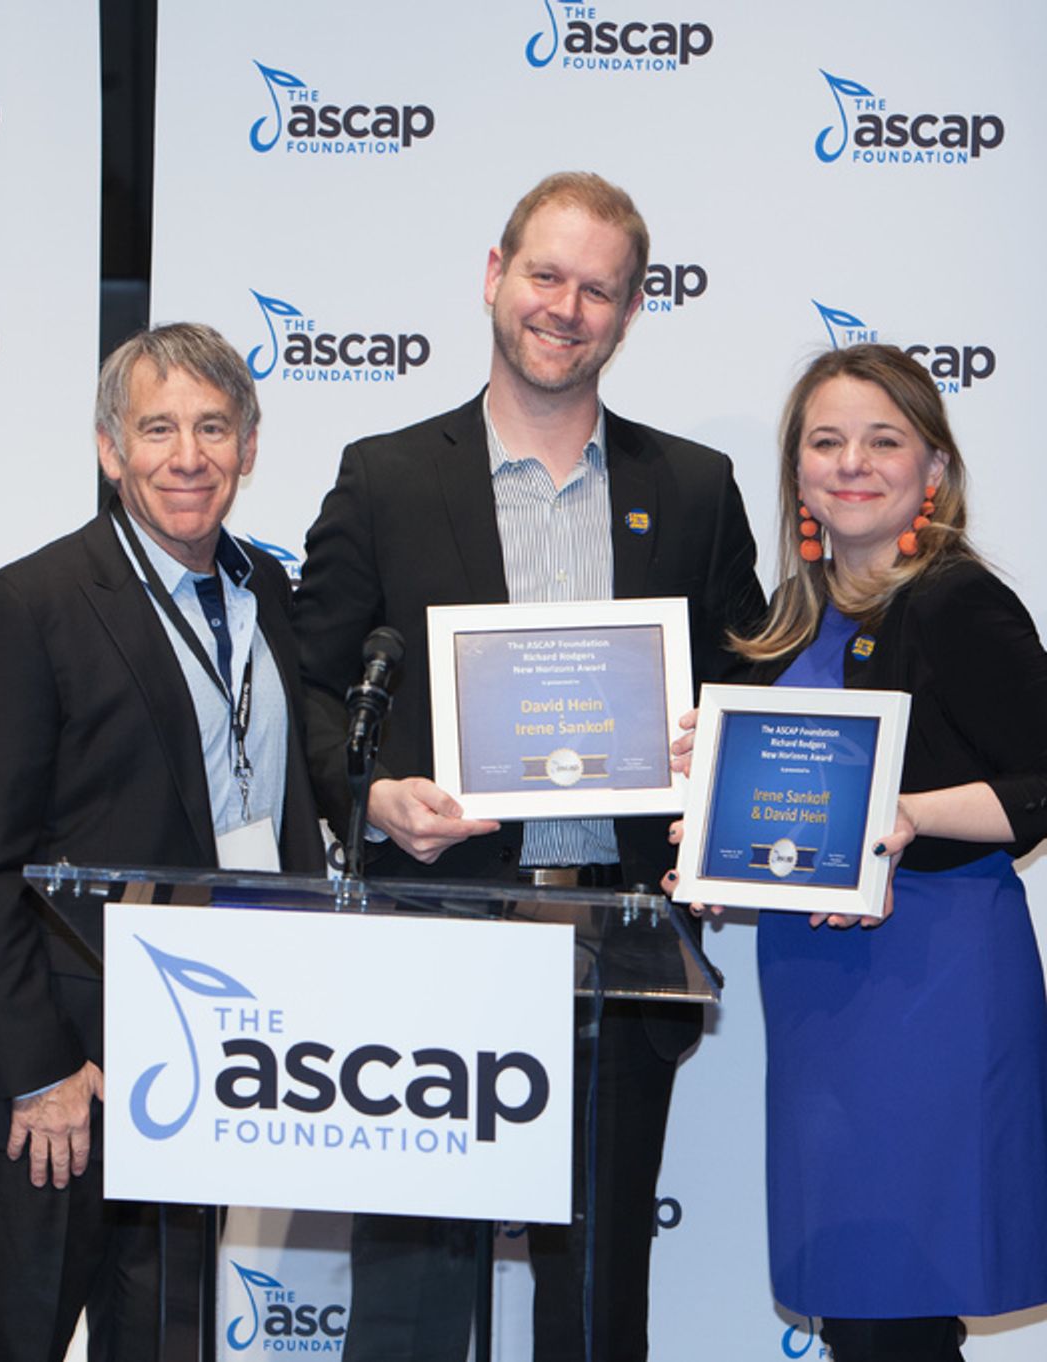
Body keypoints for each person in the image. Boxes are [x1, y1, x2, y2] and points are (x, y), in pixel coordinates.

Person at [293, 172, 764, 1362]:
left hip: (621, 951)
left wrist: (720, 765)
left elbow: (750, 691)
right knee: (407, 1297)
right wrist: (373, 795)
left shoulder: (695, 489)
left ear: (631, 310)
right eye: (546, 275)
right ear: (493, 273)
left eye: (598, 288)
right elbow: (304, 684)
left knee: (597, 1305)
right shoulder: (385, 477)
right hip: (436, 942)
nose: (566, 307)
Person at [0, 322, 325, 1362]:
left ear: (250, 446)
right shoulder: (32, 604)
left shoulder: (267, 594)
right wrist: (40, 1070)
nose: (188, 456)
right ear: (110, 449)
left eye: (213, 428)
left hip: (198, 1069)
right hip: (52, 1087)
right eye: (157, 429)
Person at [679, 343, 1047, 1362]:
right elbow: (774, 816)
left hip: (930, 987)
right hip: (817, 991)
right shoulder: (772, 636)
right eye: (826, 441)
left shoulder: (959, 602)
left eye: (884, 441)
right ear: (796, 474)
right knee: (856, 1308)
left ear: (935, 470)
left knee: (903, 1309)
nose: (852, 463)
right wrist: (707, 833)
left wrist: (912, 816)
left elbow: (1037, 786)